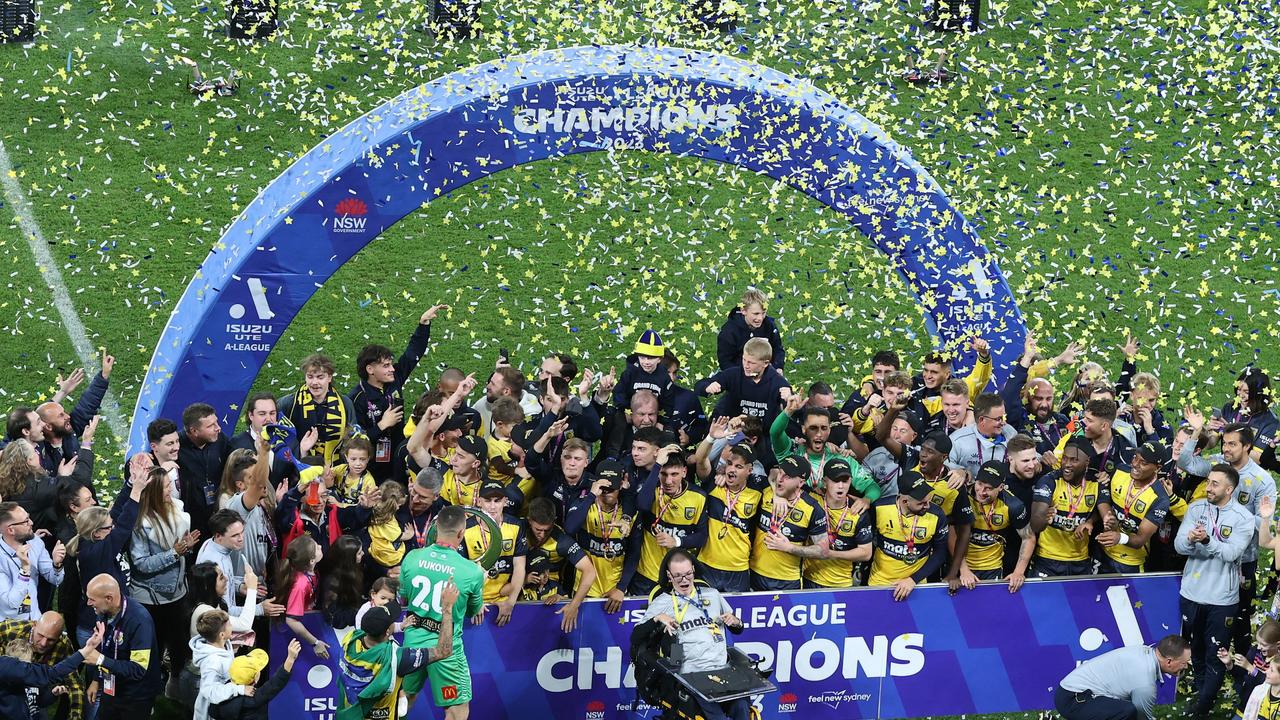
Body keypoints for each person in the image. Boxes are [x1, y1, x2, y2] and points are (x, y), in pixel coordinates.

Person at [1179, 412, 1276, 654]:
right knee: (1207, 610)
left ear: (1247, 446)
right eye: (1224, 443)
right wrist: (1196, 431)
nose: (1226, 448)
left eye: (1232, 444)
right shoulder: (1217, 466)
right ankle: (1201, 653)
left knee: (1241, 614)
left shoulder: (1262, 481)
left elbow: (1266, 523)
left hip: (1243, 558)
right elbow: (1186, 463)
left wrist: (1234, 515)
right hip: (1206, 552)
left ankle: (1241, 661)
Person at [1176, 463, 1256, 719]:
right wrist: (1190, 539)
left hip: (1222, 599)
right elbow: (1179, 546)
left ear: (1229, 489)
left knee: (1216, 654)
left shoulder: (1243, 518)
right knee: (1196, 649)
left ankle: (1201, 708)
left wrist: (1207, 541)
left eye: (1214, 484)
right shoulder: (1196, 508)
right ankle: (1203, 694)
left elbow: (1232, 553)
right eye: (1208, 482)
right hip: (1191, 592)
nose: (1208, 487)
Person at [638, 549, 749, 720]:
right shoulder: (663, 602)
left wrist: (735, 621)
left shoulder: (712, 594)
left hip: (723, 670)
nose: (684, 580)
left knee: (742, 708)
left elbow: (738, 629)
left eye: (688, 574)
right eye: (678, 576)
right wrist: (657, 618)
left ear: (693, 571)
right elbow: (636, 637)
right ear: (669, 576)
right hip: (692, 674)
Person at [397, 505, 485, 718]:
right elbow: (473, 611)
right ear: (461, 533)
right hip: (446, 651)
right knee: (457, 710)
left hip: (412, 646)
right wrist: (481, 581)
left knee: (402, 700)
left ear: (436, 527)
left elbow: (404, 598)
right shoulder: (472, 571)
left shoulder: (412, 558)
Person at [348, 304, 444, 481]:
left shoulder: (394, 380)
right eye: (386, 366)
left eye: (391, 364)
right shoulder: (355, 399)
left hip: (398, 455)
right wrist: (382, 425)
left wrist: (423, 324)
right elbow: (354, 441)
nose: (392, 369)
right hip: (372, 464)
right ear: (370, 369)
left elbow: (411, 354)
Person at [128, 466, 198, 698]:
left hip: (177, 593)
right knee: (153, 647)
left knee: (179, 643)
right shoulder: (141, 524)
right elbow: (141, 564)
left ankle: (174, 683)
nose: (172, 488)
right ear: (154, 492)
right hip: (152, 599)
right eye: (167, 486)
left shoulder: (176, 510)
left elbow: (178, 552)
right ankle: (149, 691)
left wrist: (185, 548)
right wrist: (174, 553)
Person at [337, 596, 456, 720]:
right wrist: (447, 610)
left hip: (349, 714)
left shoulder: (349, 640)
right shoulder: (395, 658)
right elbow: (443, 651)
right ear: (388, 630)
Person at [853, 471, 949, 601]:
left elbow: (941, 553)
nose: (927, 506)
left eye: (928, 500)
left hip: (917, 586)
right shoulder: (880, 508)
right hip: (880, 584)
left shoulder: (937, 515)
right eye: (921, 503)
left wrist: (913, 580)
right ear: (905, 501)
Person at [625, 447, 707, 597]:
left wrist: (676, 541)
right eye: (663, 474)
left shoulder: (698, 497)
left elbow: (702, 536)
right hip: (647, 575)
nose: (668, 481)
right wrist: (656, 465)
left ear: (684, 472)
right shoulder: (652, 489)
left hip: (678, 578)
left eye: (674, 474)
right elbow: (642, 505)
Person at [1054, 634, 1190, 720]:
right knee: (1126, 712)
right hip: (1073, 700)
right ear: (1169, 661)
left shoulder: (1145, 651)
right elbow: (1141, 717)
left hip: (1072, 692)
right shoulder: (1145, 685)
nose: (1186, 667)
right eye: (1184, 663)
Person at [84, 573, 163, 719]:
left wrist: (101, 660)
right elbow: (104, 647)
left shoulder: (139, 621)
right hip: (112, 688)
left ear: (109, 598)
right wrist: (96, 680)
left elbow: (138, 670)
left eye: (92, 599)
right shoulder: (103, 612)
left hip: (136, 696)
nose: (88, 603)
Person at [1030, 438, 1111, 577]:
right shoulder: (1049, 481)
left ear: (1087, 462)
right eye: (1065, 459)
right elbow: (1035, 524)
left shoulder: (1096, 482)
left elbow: (1105, 513)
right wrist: (1043, 518)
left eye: (1074, 460)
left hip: (1080, 561)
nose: (1067, 464)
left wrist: (1091, 521)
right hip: (1047, 560)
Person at [749, 456, 829, 591]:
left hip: (787, 582)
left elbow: (823, 551)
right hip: (753, 574)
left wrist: (788, 548)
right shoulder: (766, 490)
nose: (780, 478)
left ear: (801, 482)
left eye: (787, 476)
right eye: (781, 472)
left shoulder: (812, 509)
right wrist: (777, 494)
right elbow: (770, 474)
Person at [564, 463, 636, 611]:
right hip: (585, 590)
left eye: (612, 488)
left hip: (614, 591)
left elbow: (634, 554)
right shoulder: (585, 504)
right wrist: (591, 496)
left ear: (621, 485)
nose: (607, 492)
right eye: (603, 488)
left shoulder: (628, 514)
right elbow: (570, 529)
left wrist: (621, 588)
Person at [694, 443, 762, 594]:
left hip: (738, 569)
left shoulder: (758, 493)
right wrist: (712, 438)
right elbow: (700, 460)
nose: (731, 470)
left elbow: (776, 480)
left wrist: (779, 497)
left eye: (739, 466)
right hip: (706, 565)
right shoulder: (713, 484)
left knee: (734, 615)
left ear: (749, 470)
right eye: (729, 464)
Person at [0, 621, 102, 720]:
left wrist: (52, 695)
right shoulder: (7, 667)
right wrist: (86, 650)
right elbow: (52, 674)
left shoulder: (31, 679)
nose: (44, 643)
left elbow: (40, 700)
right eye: (26, 666)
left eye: (30, 664)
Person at [523, 497, 597, 632]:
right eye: (538, 529)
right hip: (519, 588)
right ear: (529, 520)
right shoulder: (518, 530)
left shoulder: (562, 541)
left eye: (547, 529)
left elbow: (589, 571)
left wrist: (574, 604)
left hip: (551, 594)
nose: (542, 534)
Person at [1096, 442, 1170, 574]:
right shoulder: (1119, 470)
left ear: (1157, 468)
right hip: (1101, 553)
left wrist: (1119, 538)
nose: (1135, 464)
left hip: (1129, 563)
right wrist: (1107, 516)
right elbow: (1103, 497)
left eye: (1143, 462)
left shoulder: (1160, 499)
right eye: (1135, 457)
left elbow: (1140, 540)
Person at [960, 461, 1035, 591]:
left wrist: (1018, 572)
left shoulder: (1013, 505)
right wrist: (963, 569)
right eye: (979, 484)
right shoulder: (962, 498)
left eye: (988, 488)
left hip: (992, 569)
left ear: (1001, 487)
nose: (981, 492)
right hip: (961, 568)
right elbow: (952, 536)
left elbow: (1028, 538)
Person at [461, 480, 525, 626]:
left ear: (505, 502)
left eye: (497, 501)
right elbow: (461, 573)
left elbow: (519, 566)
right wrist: (474, 601)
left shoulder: (516, 526)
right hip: (474, 601)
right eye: (487, 500)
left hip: (504, 600)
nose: (492, 506)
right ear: (478, 501)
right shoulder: (465, 529)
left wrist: (511, 601)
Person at [803, 458, 872, 589]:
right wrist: (778, 497)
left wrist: (831, 554)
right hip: (808, 578)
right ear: (824, 482)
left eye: (845, 481)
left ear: (850, 481)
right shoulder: (813, 500)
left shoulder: (858, 510)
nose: (841, 486)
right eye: (835, 481)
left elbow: (866, 553)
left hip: (841, 584)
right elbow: (778, 477)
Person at [277, 353, 356, 466]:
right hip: (298, 468)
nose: (314, 382)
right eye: (310, 377)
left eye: (320, 377)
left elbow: (353, 440)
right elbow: (277, 437)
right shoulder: (288, 403)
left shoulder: (345, 404)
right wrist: (300, 451)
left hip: (335, 469)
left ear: (329, 377)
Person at [0, 502, 64, 621]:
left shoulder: (35, 542)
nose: (31, 523)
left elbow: (56, 579)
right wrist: (24, 570)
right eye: (26, 521)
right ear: (11, 530)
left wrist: (56, 564)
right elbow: (13, 602)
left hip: (34, 619)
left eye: (28, 517)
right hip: (9, 626)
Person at [209, 639, 301, 720]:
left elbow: (212, 711)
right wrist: (290, 658)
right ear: (255, 678)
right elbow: (276, 683)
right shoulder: (254, 699)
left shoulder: (219, 693)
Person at [177, 402, 231, 538]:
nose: (218, 428)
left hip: (218, 513)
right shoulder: (176, 446)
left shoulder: (220, 440)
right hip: (191, 521)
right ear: (194, 431)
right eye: (211, 426)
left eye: (216, 422)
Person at [189, 609, 252, 720]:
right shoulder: (212, 662)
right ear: (222, 635)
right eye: (230, 625)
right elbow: (210, 691)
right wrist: (239, 689)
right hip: (213, 712)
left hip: (225, 704)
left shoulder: (221, 644)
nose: (232, 626)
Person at [275, 535, 327, 658]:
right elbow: (291, 620)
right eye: (317, 548)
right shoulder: (300, 585)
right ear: (311, 561)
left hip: (311, 617)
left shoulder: (310, 569)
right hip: (301, 626)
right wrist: (315, 643)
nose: (320, 546)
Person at [716, 287, 785, 371]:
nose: (760, 318)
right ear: (743, 311)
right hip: (739, 374)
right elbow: (725, 361)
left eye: (763, 313)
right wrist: (743, 377)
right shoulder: (729, 331)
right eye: (756, 314)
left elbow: (777, 348)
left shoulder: (769, 325)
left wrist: (778, 367)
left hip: (766, 373)